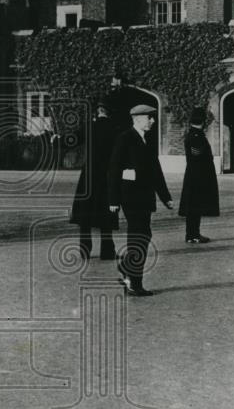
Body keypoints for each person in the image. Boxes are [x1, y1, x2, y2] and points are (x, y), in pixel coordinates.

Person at [108, 104, 173, 297]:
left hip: (145, 197)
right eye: (149, 117)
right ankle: (134, 283)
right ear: (137, 119)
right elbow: (113, 170)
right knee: (139, 237)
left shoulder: (148, 140)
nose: (152, 121)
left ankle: (127, 268)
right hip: (130, 198)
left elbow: (156, 171)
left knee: (143, 236)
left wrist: (165, 197)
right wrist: (113, 199)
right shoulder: (125, 138)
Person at [69, 102, 118, 259]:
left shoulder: (90, 127)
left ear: (98, 111)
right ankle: (107, 250)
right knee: (106, 212)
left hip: (89, 174)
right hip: (107, 175)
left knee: (85, 211)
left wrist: (55, 139)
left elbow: (71, 140)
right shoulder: (116, 128)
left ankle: (84, 249)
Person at [178, 107, 220, 244]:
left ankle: (193, 234)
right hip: (197, 177)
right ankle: (192, 235)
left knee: (194, 207)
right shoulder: (196, 136)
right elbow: (198, 156)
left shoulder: (195, 134)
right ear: (203, 121)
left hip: (195, 176)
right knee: (194, 208)